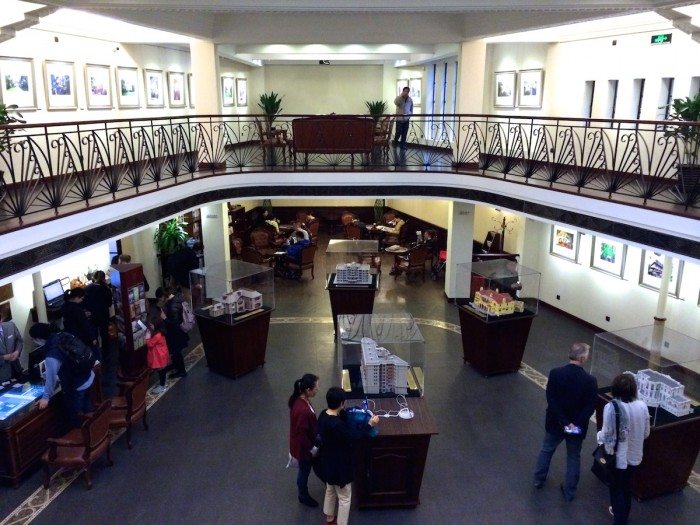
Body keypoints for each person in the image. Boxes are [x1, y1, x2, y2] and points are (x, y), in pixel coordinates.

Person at [533, 342, 598, 501]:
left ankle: (538, 480)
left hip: (556, 422)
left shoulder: (555, 373)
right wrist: (575, 424)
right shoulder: (590, 380)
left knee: (547, 449)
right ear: (582, 358)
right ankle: (569, 491)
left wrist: (564, 421)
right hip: (576, 427)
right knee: (573, 456)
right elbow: (590, 406)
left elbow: (551, 399)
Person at [317, 387, 379, 525]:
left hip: (327, 462)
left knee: (330, 489)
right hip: (340, 467)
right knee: (344, 497)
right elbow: (353, 437)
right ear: (341, 403)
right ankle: (341, 522)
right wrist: (370, 424)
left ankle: (329, 516)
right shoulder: (338, 425)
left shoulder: (323, 415)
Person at [597, 373, 650, 525]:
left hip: (617, 457)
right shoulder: (642, 406)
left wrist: (599, 438)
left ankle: (619, 519)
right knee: (627, 489)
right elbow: (646, 433)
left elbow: (607, 435)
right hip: (635, 455)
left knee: (615, 489)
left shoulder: (611, 407)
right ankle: (624, 516)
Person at [29, 323, 96, 428]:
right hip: (88, 377)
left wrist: (45, 398)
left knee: (76, 419)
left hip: (76, 386)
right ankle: (95, 431)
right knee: (87, 410)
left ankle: (81, 438)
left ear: (39, 339)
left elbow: (51, 379)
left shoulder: (52, 354)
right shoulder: (62, 335)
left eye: (33, 340)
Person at [288, 373, 320, 507]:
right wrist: (312, 449)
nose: (318, 389)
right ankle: (303, 495)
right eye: (316, 387)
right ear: (308, 390)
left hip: (301, 444)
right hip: (304, 448)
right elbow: (302, 435)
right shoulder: (304, 410)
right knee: (304, 471)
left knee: (304, 469)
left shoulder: (299, 400)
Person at [83, 270, 113, 356]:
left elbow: (84, 302)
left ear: (93, 278)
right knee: (104, 333)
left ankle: (96, 353)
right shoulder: (106, 289)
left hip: (92, 315)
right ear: (104, 279)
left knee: (94, 334)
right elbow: (109, 304)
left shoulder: (87, 289)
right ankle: (106, 352)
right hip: (104, 314)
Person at [160, 286, 188, 378]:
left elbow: (173, 321)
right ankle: (176, 365)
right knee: (175, 351)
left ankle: (182, 371)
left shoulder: (172, 305)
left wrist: (164, 318)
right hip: (178, 332)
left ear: (164, 296)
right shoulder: (175, 298)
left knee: (177, 351)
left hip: (176, 333)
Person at [61, 287, 98, 352]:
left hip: (73, 336)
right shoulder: (77, 310)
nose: (82, 300)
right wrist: (93, 338)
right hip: (83, 337)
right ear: (77, 297)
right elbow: (85, 325)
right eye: (82, 298)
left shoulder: (64, 306)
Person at [0, 304, 26, 382]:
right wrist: (3, 358)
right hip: (2, 374)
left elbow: (19, 341)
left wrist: (17, 351)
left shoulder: (11, 325)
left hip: (16, 368)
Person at [146, 316, 170, 394]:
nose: (150, 327)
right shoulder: (160, 333)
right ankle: (163, 384)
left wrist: (147, 337)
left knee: (161, 371)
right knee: (162, 371)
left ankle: (162, 386)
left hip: (159, 357)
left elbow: (150, 344)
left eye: (152, 325)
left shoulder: (157, 335)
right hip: (162, 355)